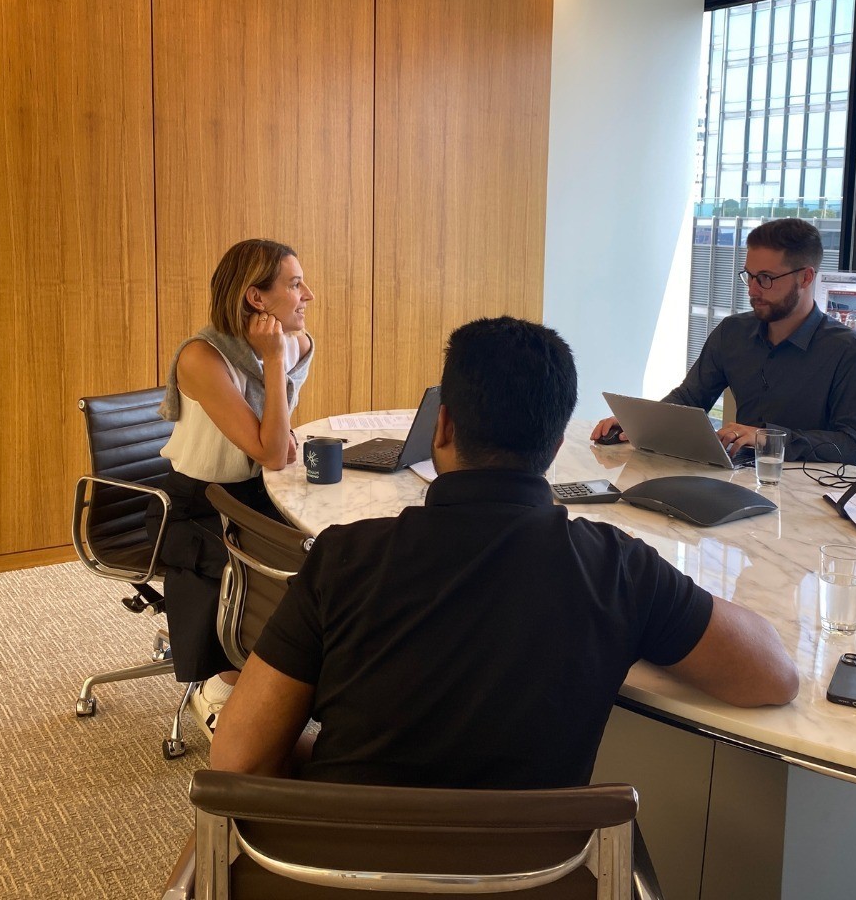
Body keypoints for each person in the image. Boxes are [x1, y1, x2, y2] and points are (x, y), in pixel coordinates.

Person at [211, 316, 798, 786]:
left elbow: (237, 763)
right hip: (534, 880)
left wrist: (322, 755)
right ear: (557, 439)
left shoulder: (344, 558)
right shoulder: (617, 571)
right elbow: (773, 677)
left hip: (341, 877)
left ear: (442, 427)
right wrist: (636, 624)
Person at [146, 238, 315, 735]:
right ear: (256, 299)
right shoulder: (202, 357)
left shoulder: (297, 342)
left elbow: (276, 449)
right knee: (253, 577)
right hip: (198, 502)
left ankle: (292, 678)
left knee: (320, 558)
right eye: (294, 283)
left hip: (258, 490)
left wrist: (279, 355)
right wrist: (274, 361)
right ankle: (216, 687)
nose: (308, 295)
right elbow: (272, 450)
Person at [592, 218, 856, 467]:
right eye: (750, 276)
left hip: (810, 497)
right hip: (739, 479)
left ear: (805, 278)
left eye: (766, 278)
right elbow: (690, 401)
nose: (753, 290)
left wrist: (767, 439)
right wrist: (641, 424)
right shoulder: (733, 333)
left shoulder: (848, 351)